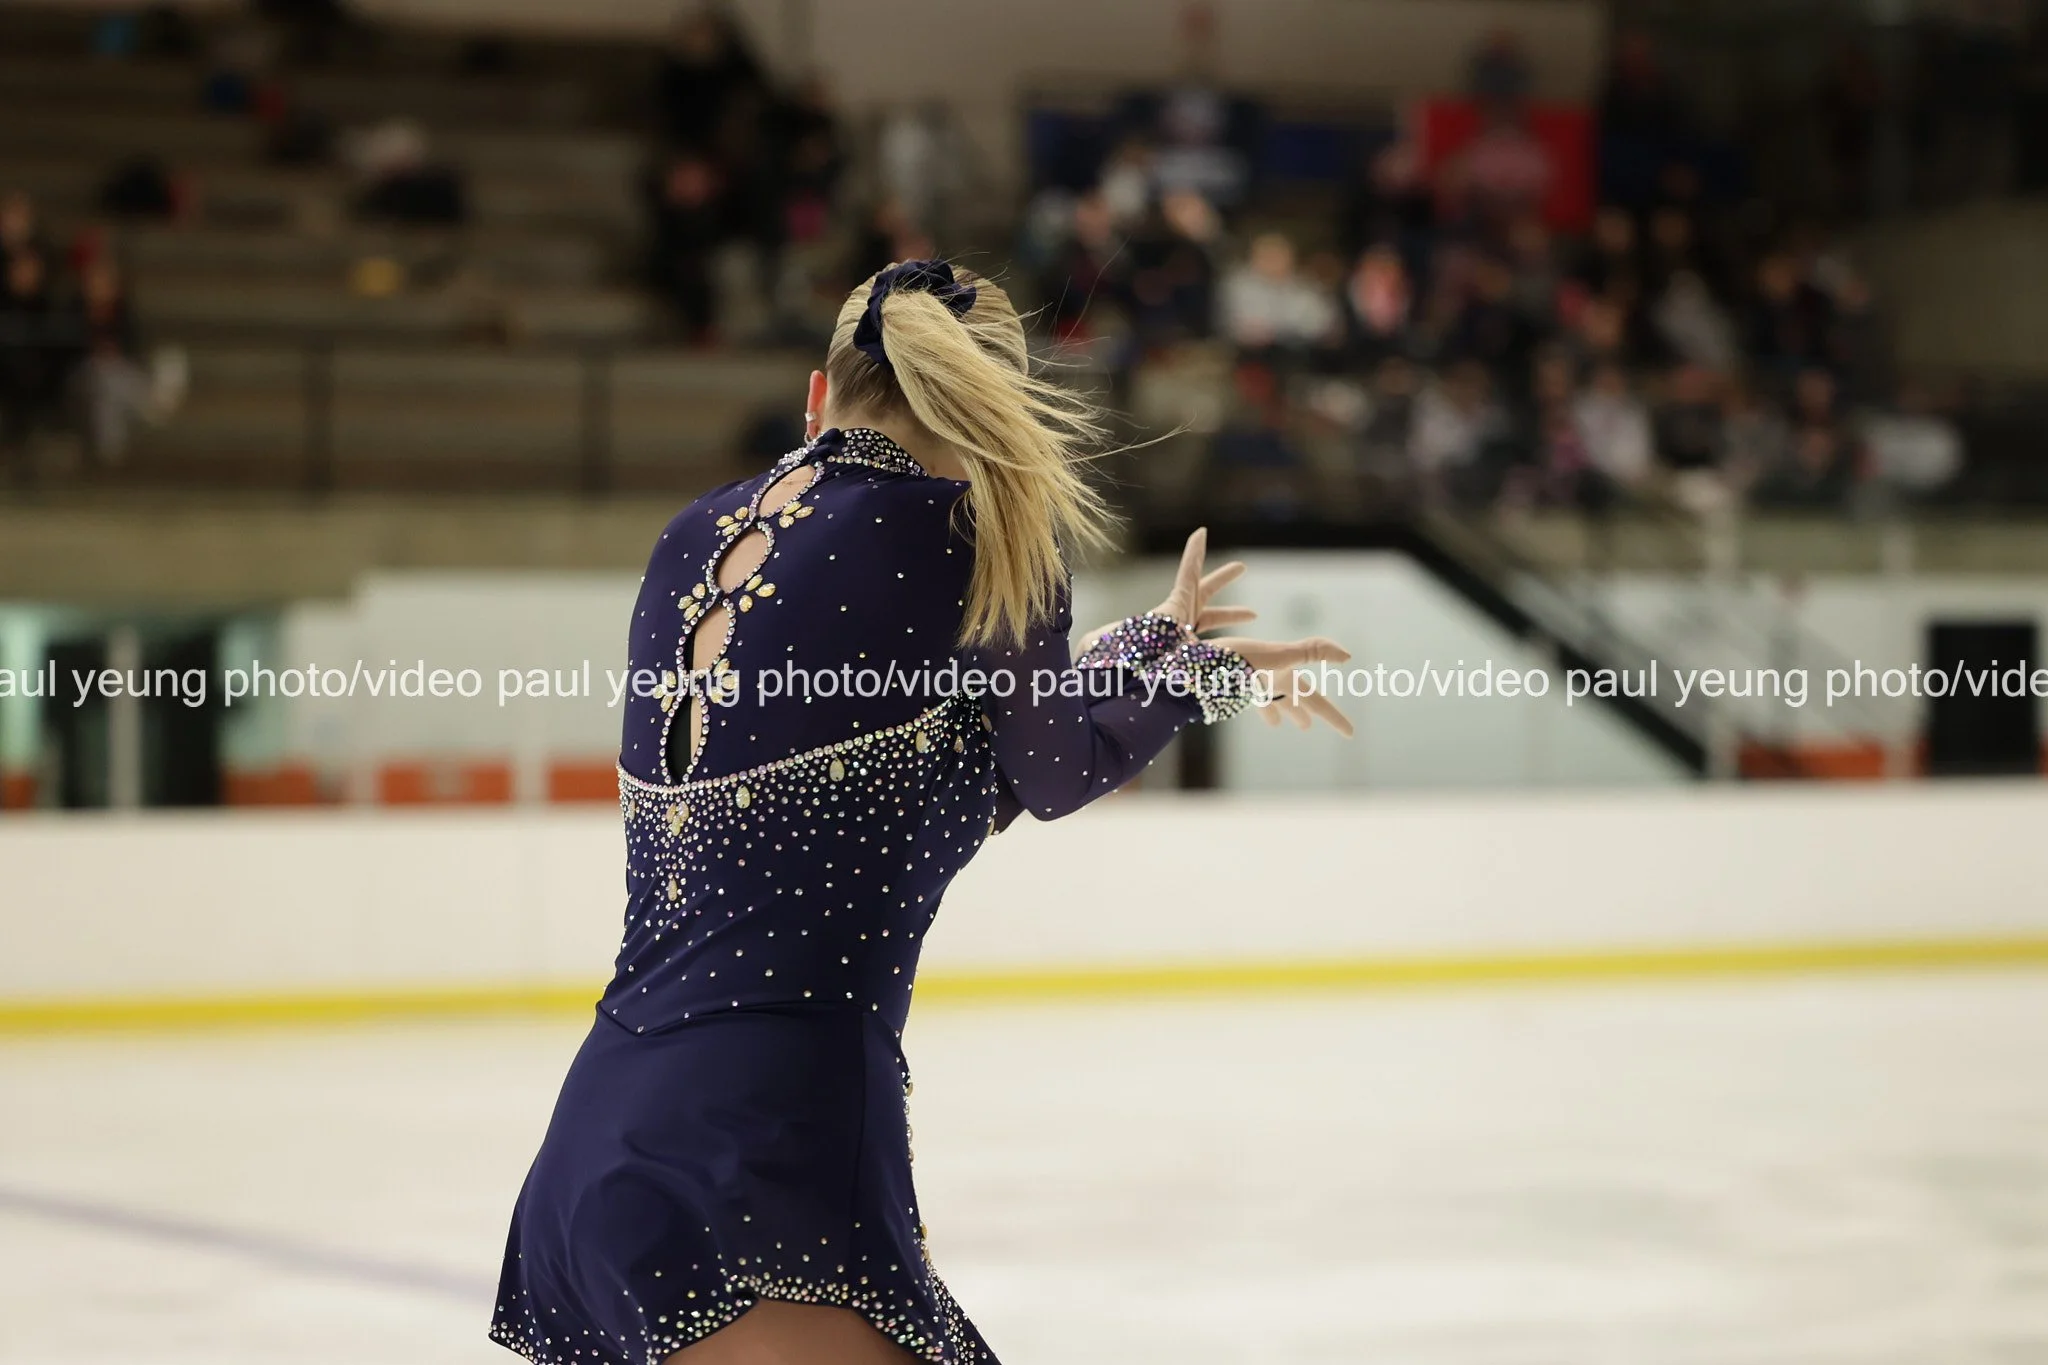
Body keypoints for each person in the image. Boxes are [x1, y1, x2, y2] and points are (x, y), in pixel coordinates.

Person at [490, 259, 1350, 1365]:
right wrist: (1194, 679)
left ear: (817, 396)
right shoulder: (979, 538)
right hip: (769, 1156)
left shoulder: (690, 536)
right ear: (986, 418)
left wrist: (1150, 647)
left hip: (597, 1147)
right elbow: (1050, 770)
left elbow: (928, 765)